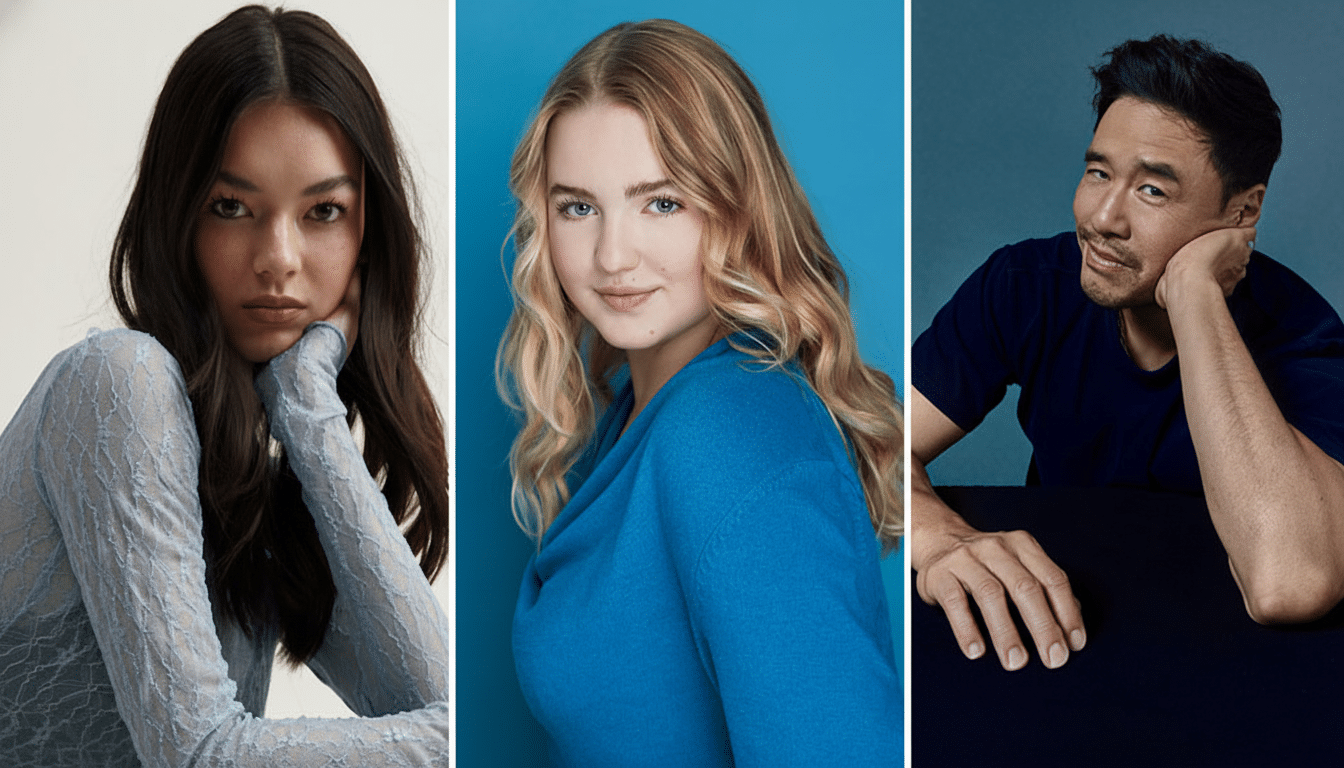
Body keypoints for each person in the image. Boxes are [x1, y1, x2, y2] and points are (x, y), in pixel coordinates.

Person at [0, 6, 451, 765]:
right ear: (177, 215)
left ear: (367, 238)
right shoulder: (118, 385)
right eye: (232, 207)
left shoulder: (257, 481)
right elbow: (198, 755)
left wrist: (308, 406)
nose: (278, 257)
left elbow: (433, 691)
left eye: (323, 212)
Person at [496, 19, 902, 766]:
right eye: (578, 207)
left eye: (662, 202)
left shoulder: (729, 430)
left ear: (737, 208)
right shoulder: (641, 413)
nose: (613, 256)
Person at [912, 35, 1344, 672]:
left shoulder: (1301, 336)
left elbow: (1289, 585)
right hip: (1053, 639)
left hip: (1228, 665)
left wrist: (1195, 292)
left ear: (1243, 211)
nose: (1102, 218)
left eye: (1153, 191)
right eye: (1098, 173)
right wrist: (936, 537)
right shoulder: (1027, 284)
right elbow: (869, 448)